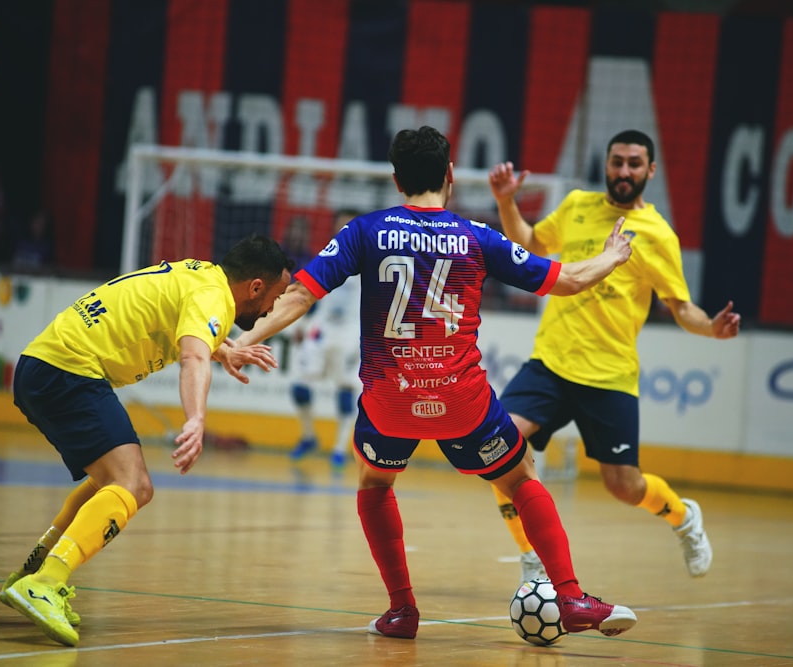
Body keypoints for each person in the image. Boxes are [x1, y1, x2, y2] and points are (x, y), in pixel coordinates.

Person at [223, 126, 637, 640]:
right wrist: (612, 256)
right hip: (462, 401)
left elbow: (300, 297)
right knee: (521, 476)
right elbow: (567, 280)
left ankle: (402, 611)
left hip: (389, 401)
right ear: (449, 175)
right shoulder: (476, 236)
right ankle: (571, 597)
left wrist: (242, 339)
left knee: (375, 483)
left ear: (396, 180)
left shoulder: (364, 231)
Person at [0, 235, 295, 646]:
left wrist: (221, 349)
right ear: (255, 287)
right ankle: (46, 582)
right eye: (274, 298)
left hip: (46, 366)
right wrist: (196, 419)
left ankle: (33, 573)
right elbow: (191, 356)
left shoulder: (202, 276)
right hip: (69, 369)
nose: (272, 309)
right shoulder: (215, 298)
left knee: (112, 482)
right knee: (133, 484)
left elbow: (187, 330)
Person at [486, 129, 741, 584]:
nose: (624, 171)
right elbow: (529, 244)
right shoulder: (577, 206)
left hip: (610, 377)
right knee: (500, 448)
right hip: (551, 362)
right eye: (617, 162)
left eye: (634, 164)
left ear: (650, 171)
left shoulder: (659, 235)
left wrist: (710, 328)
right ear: (606, 165)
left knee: (624, 486)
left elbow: (680, 307)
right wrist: (507, 201)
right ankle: (533, 558)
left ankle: (683, 516)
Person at [287, 209, 362, 468]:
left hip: (352, 332)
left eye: (349, 226)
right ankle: (308, 437)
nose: (344, 231)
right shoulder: (327, 257)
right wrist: (304, 323)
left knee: (345, 389)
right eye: (340, 226)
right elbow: (312, 293)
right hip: (323, 330)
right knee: (298, 385)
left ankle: (340, 449)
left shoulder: (372, 260)